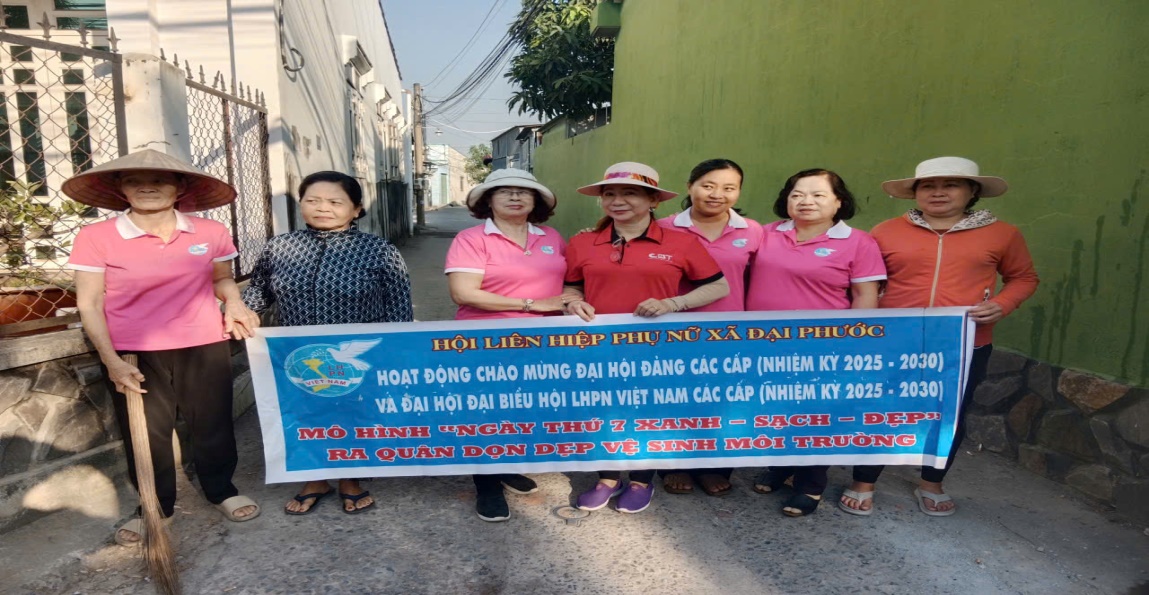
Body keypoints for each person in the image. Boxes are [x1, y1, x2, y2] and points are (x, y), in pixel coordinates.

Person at [64, 149, 262, 545]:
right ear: (120, 189)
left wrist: (235, 301)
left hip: (203, 342)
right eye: (133, 180)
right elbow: (89, 303)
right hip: (134, 352)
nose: (147, 187)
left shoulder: (209, 232)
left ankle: (221, 490)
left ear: (181, 187)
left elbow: (220, 279)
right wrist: (111, 361)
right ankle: (155, 507)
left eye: (159, 179)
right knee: (146, 433)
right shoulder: (96, 237)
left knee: (213, 423)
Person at [839, 156, 1038, 517]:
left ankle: (932, 482)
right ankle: (864, 480)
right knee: (881, 408)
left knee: (949, 414)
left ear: (972, 191)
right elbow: (863, 279)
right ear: (915, 193)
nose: (938, 192)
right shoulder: (885, 231)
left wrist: (1003, 304)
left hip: (965, 343)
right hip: (893, 341)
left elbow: (1023, 277)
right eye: (928, 186)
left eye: (951, 185)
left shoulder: (1003, 234)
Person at [242, 171, 414, 515]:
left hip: (354, 357)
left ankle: (350, 478)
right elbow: (258, 293)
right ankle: (315, 478)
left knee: (353, 414)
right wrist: (237, 313)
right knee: (304, 414)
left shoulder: (379, 251)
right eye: (313, 200)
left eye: (335, 202)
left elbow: (399, 309)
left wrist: (394, 355)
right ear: (301, 204)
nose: (323, 208)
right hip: (297, 355)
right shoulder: (279, 247)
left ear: (356, 209)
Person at [565, 162, 730, 514]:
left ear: (653, 200)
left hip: (657, 348)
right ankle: (607, 478)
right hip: (599, 347)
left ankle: (642, 480)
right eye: (610, 194)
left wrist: (673, 303)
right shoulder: (582, 242)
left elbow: (718, 286)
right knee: (604, 410)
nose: (617, 200)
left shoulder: (681, 243)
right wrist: (573, 301)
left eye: (630, 193)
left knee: (649, 412)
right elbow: (572, 285)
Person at [747, 168, 886, 516]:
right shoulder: (765, 234)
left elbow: (865, 295)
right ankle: (780, 468)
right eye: (796, 194)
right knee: (775, 411)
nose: (805, 201)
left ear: (838, 202)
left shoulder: (858, 242)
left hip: (824, 349)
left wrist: (854, 344)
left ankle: (810, 485)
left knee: (816, 416)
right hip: (764, 345)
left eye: (818, 195)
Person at [445, 168, 573, 521]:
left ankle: (506, 466)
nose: (515, 197)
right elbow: (463, 293)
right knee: (487, 412)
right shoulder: (472, 239)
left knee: (524, 409)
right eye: (504, 191)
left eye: (523, 191)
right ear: (488, 200)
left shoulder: (551, 237)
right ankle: (486, 485)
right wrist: (532, 305)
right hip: (486, 341)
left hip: (544, 342)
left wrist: (570, 299)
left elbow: (569, 281)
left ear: (536, 201)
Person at [656, 158, 763, 497]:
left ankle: (713, 466)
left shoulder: (753, 231)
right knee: (675, 399)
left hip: (730, 333)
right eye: (708, 185)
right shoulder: (662, 227)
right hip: (675, 331)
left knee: (722, 401)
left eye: (729, 188)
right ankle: (673, 465)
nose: (717, 194)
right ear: (690, 187)